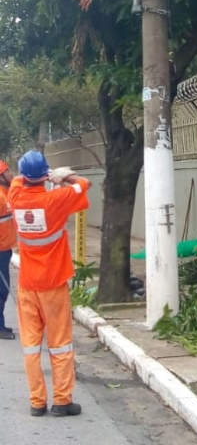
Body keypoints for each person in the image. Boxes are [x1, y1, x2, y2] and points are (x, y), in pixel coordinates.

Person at [8, 150, 91, 417]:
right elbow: (83, 185)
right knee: (60, 344)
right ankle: (62, 401)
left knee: (31, 347)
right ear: (45, 175)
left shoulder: (15, 198)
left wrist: (36, 175)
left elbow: (17, 181)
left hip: (27, 284)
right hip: (53, 284)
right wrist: (64, 176)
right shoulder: (57, 199)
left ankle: (37, 402)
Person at [0, 160, 17, 339]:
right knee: (1, 291)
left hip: (4, 250)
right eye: (8, 171)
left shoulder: (5, 193)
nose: (11, 174)